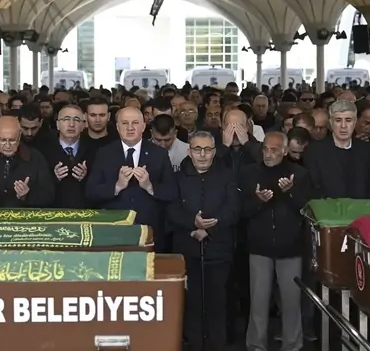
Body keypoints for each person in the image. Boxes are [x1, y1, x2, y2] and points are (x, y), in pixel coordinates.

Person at [239, 132, 311, 351]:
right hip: (259, 247)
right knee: (258, 302)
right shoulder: (249, 173)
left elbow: (306, 209)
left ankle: (292, 346)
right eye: (265, 149)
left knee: (291, 302)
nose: (268, 154)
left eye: (274, 150)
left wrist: (290, 193)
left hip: (290, 247)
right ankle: (256, 346)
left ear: (285, 151)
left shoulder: (299, 174)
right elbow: (242, 211)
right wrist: (258, 201)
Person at [167, 131, 239, 351]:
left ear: (214, 152)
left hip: (218, 251)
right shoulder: (177, 177)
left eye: (207, 149)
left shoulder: (227, 176)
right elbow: (171, 208)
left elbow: (234, 209)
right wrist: (193, 223)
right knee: (191, 303)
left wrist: (209, 229)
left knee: (217, 303)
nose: (202, 154)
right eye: (197, 149)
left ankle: (217, 345)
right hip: (187, 249)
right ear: (189, 151)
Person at [86, 107, 177, 251]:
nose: (130, 128)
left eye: (135, 123)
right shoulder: (104, 153)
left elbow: (172, 192)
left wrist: (149, 186)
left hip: (150, 230)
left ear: (143, 126)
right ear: (117, 127)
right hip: (113, 229)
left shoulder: (159, 153)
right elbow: (91, 192)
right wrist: (117, 186)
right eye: (125, 123)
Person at [0, 116, 55, 207]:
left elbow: (49, 196)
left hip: (25, 215)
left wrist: (26, 196)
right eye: (3, 140)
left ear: (19, 136)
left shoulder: (36, 158)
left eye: (12, 140)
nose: (7, 146)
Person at [40, 105, 95, 208]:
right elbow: (37, 188)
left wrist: (86, 177)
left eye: (76, 120)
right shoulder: (43, 150)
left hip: (85, 211)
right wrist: (53, 177)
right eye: (66, 119)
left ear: (83, 125)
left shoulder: (94, 149)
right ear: (57, 124)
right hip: (54, 211)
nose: (71, 124)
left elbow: (100, 187)